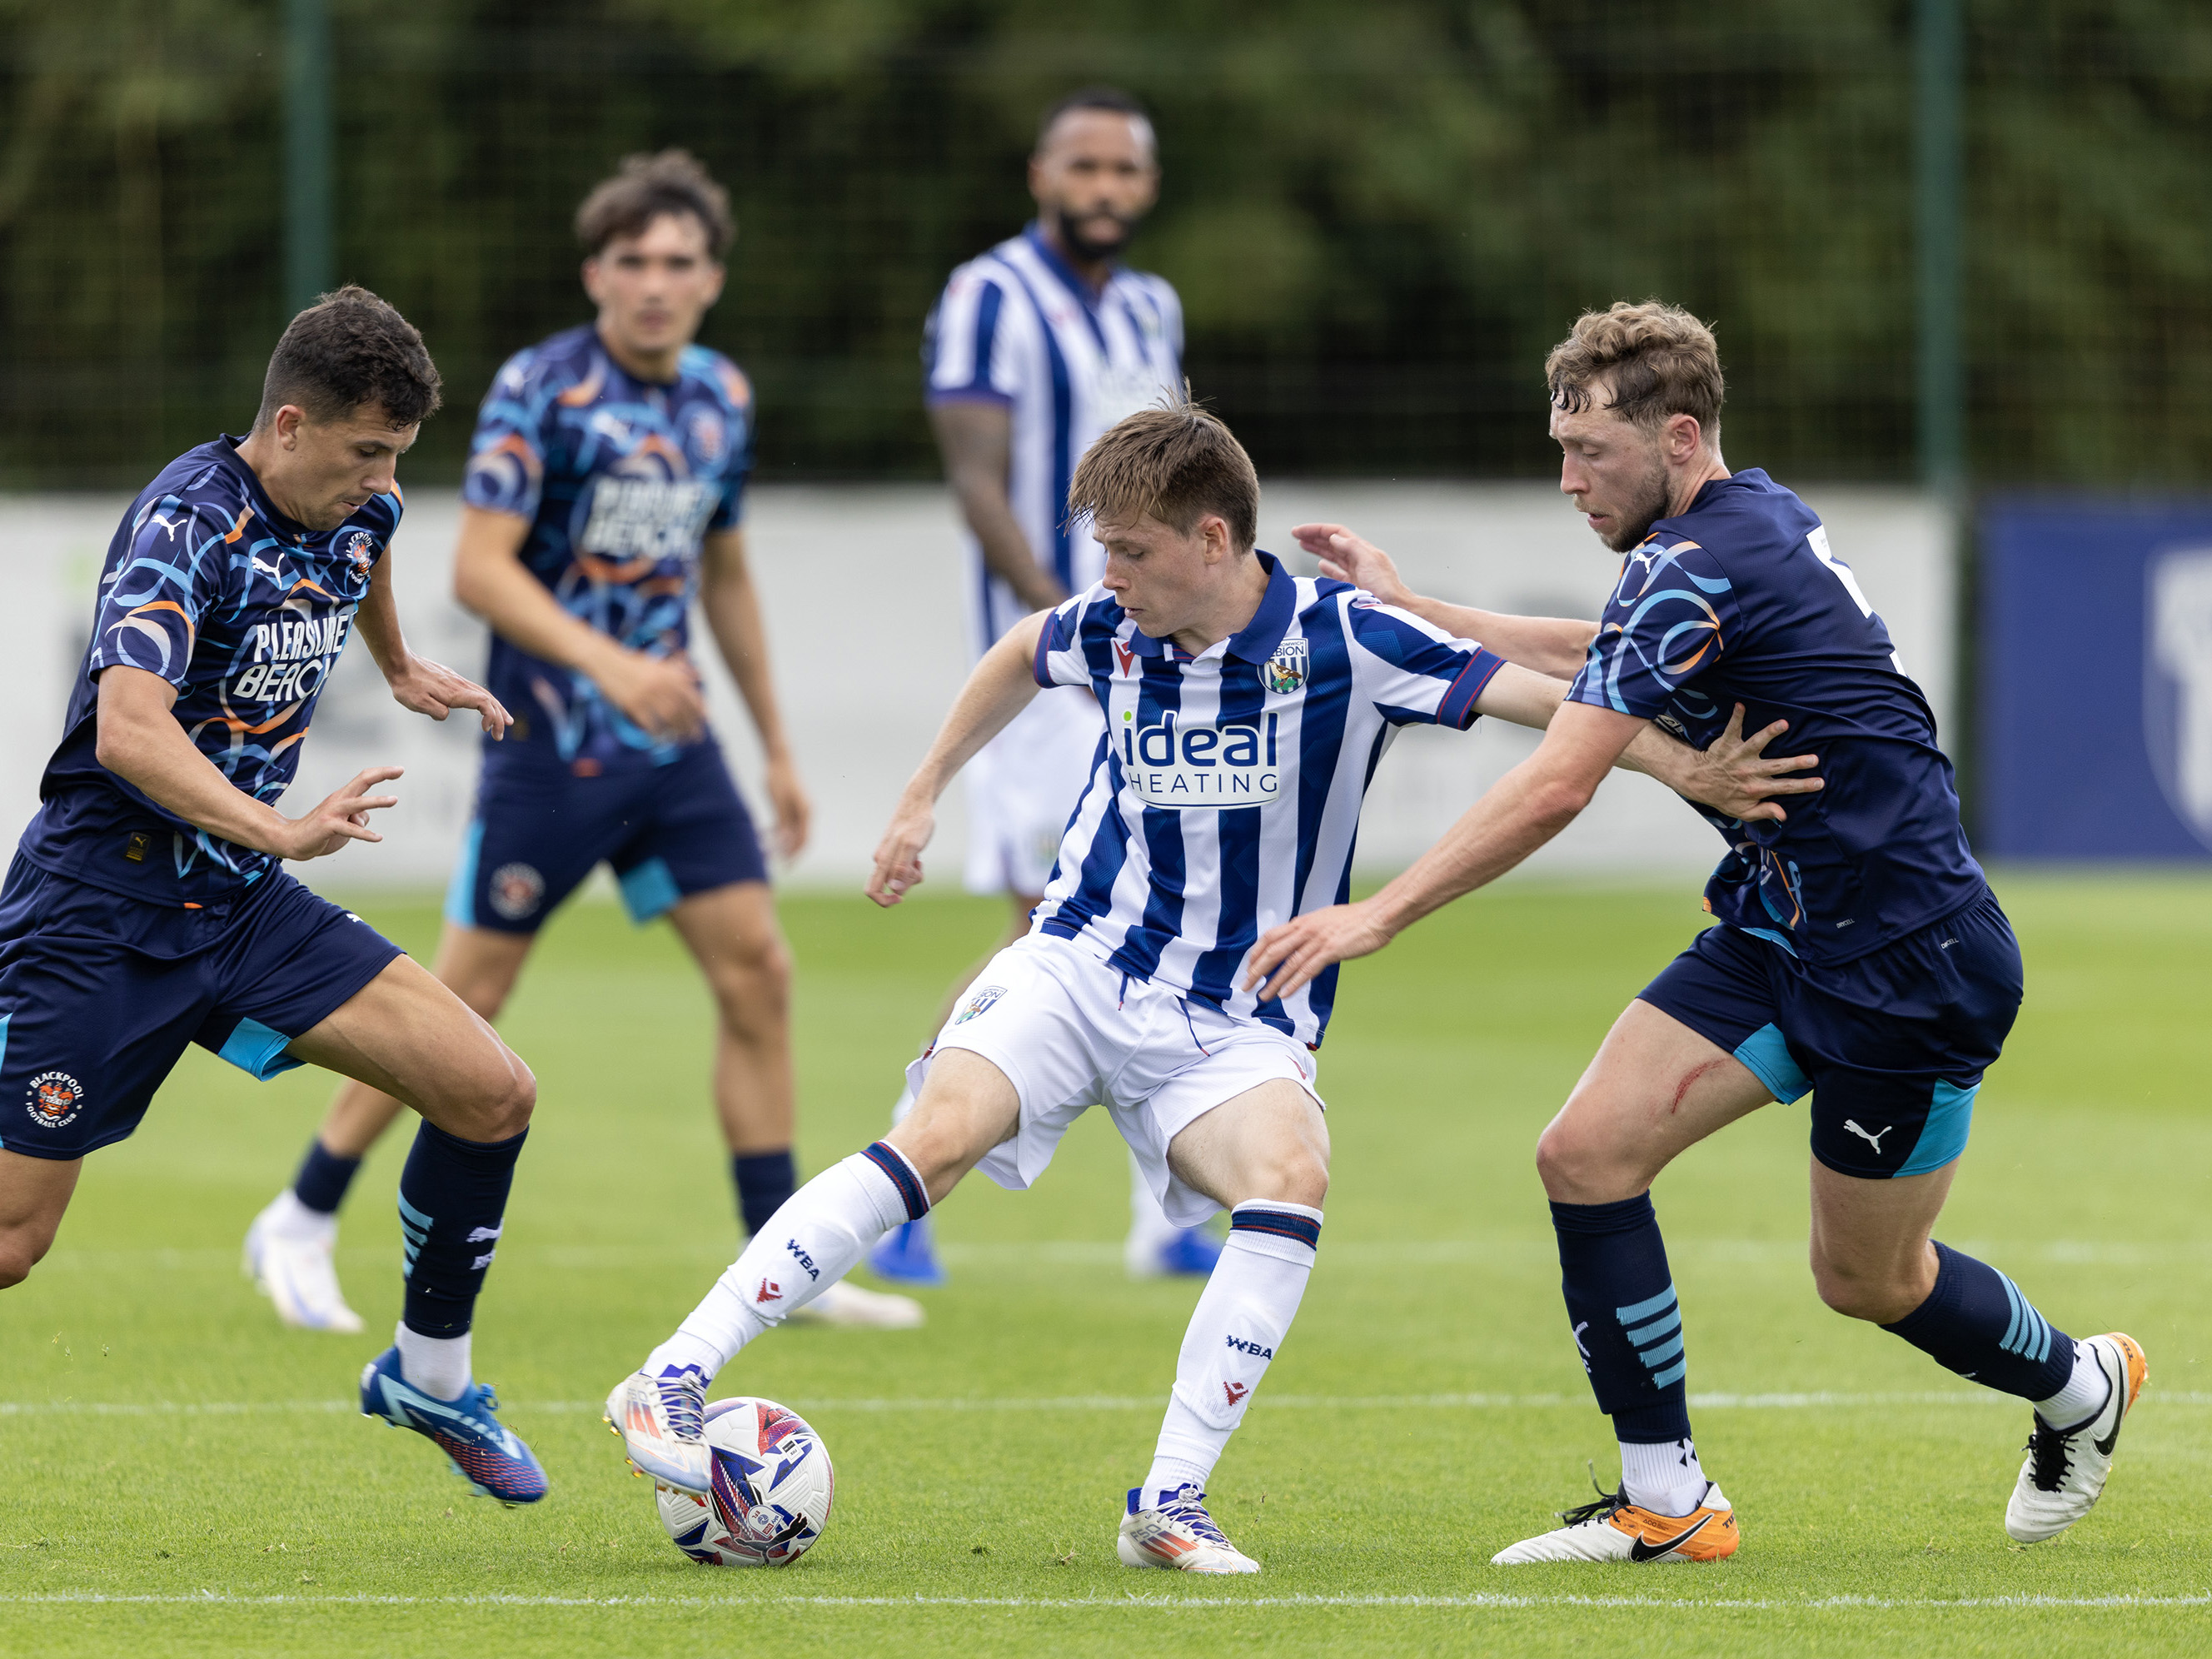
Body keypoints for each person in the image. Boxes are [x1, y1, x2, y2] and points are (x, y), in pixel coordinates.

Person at [605, 399, 1802, 1573]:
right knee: (938, 1136)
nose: (1110, 578)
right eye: (1105, 554)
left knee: (1290, 1181)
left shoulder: (1349, 639)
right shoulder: (1113, 626)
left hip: (1236, 1020)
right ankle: (673, 1371)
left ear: (1213, 540)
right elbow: (1023, 650)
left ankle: (1169, 1504)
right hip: (1077, 964)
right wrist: (924, 790)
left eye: (1130, 552)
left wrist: (1685, 765)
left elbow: (1551, 704)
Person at [1249, 300, 2145, 1564]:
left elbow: (1560, 780)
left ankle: (2079, 1387)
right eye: (1559, 451)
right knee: (1586, 1154)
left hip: (1910, 960)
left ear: (1677, 437)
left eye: (1591, 454)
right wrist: (1422, 606)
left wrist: (1379, 913)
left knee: (1870, 1284)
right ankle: (1667, 1503)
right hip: (1782, 933)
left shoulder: (1701, 560)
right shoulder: (1730, 525)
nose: (1568, 481)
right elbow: (1599, 649)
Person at [242, 152, 919, 1333]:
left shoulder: (721, 397)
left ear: (712, 277)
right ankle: (299, 1215)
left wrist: (776, 749)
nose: (656, 283)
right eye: (633, 261)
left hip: (676, 748)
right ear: (596, 272)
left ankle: (781, 1267)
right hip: (551, 743)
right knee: (464, 997)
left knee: (759, 971)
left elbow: (722, 569)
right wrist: (609, 667)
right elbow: (479, 568)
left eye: (680, 262)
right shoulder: (540, 389)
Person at [0, 287, 551, 1503]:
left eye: (397, 455)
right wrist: (283, 831)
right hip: (101, 906)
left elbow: (371, 543)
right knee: (13, 1246)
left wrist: (401, 667)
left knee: (490, 1092)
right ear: (289, 424)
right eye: (364, 452)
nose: (382, 479)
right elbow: (132, 734)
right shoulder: (184, 527)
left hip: (239, 906)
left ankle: (429, 1375)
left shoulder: (366, 502)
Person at [871, 87, 1207, 1288]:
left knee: (1163, 921)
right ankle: (908, 1170)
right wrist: (1071, 619)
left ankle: (1163, 1210)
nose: (1104, 187)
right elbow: (977, 479)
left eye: (1125, 168)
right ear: (1041, 175)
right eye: (1085, 166)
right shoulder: (988, 296)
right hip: (1055, 678)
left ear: (1147, 186)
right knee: (1048, 937)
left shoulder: (1154, 305)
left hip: (1164, 662)